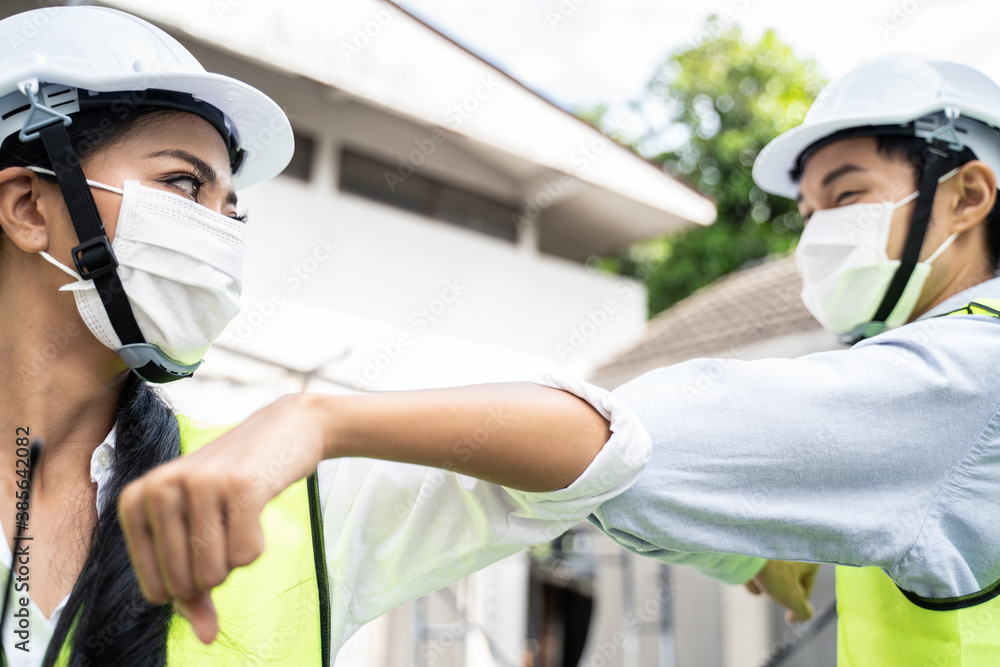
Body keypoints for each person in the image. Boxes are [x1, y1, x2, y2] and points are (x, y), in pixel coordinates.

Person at [0, 7, 651, 666]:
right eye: (183, 183)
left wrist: (319, 420)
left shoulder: (276, 492)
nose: (219, 234)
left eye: (232, 208)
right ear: (29, 207)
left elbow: (604, 448)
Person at [588, 55, 1000, 666]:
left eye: (847, 196)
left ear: (967, 196)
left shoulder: (964, 371)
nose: (817, 237)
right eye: (808, 214)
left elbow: (621, 451)